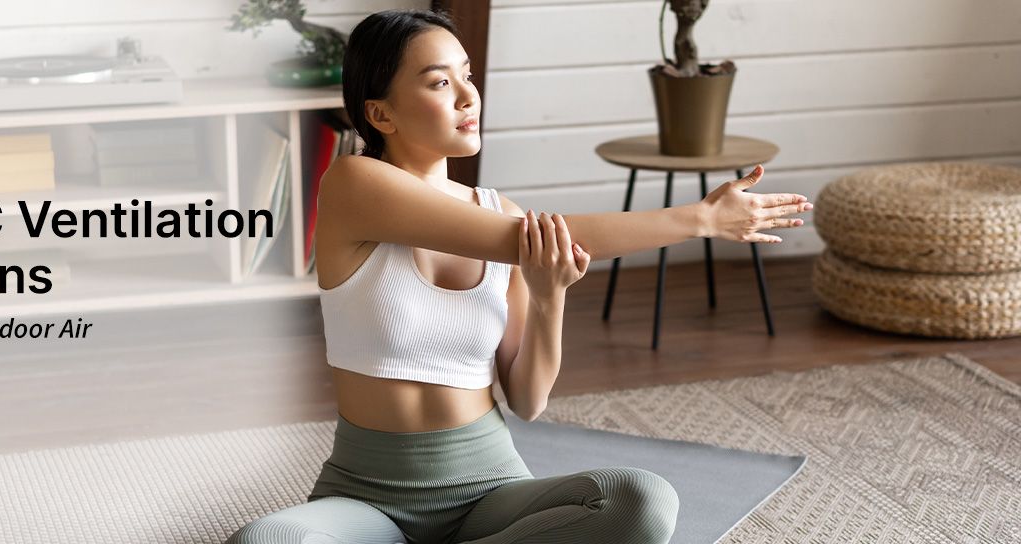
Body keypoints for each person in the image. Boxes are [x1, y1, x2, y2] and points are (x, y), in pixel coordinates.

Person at [225, 9, 811, 544]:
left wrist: (549, 295)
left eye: (467, 76)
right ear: (380, 113)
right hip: (366, 498)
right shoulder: (354, 184)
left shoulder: (500, 212)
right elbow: (534, 239)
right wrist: (699, 219)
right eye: (438, 82)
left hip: (490, 492)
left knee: (640, 500)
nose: (466, 97)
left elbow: (527, 400)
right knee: (267, 542)